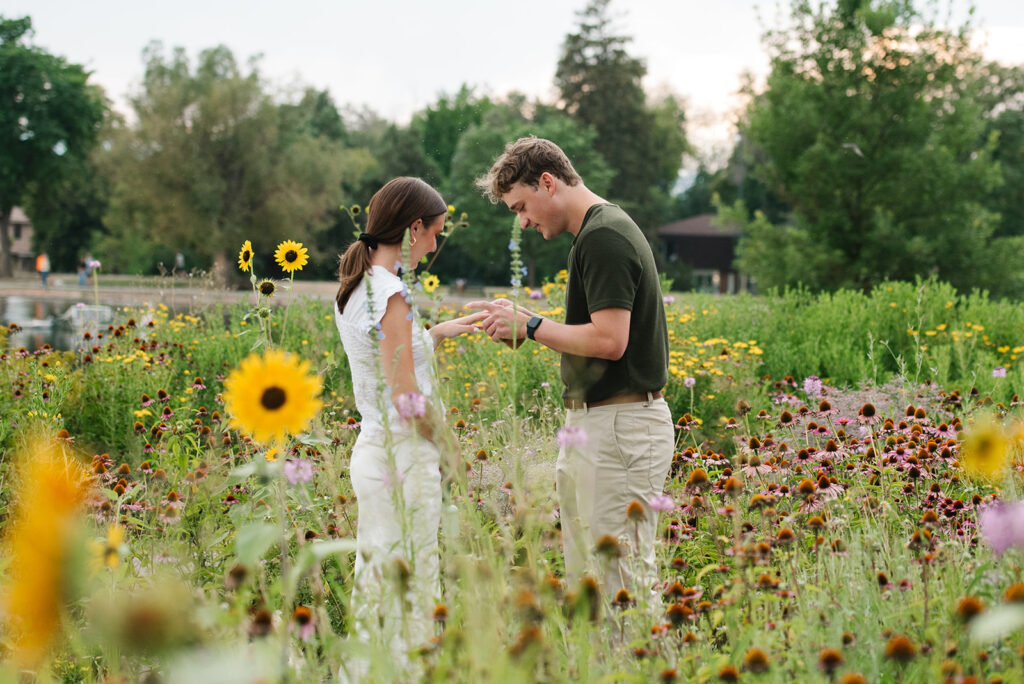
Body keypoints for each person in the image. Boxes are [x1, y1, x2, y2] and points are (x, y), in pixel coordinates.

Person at [470, 136, 674, 597]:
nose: (522, 222)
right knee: (595, 583)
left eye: (522, 207)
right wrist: (525, 326)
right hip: (603, 427)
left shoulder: (602, 236)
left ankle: (637, 670)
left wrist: (532, 324)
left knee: (620, 583)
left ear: (548, 183)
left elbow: (609, 340)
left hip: (621, 430)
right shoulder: (598, 231)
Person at [333, 177, 484, 678]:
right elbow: (406, 396)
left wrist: (436, 333)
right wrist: (450, 451)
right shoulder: (392, 291)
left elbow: (385, 358)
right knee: (414, 583)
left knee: (377, 582)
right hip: (404, 458)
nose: (436, 244)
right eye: (436, 233)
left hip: (374, 452)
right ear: (413, 228)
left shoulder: (358, 286)